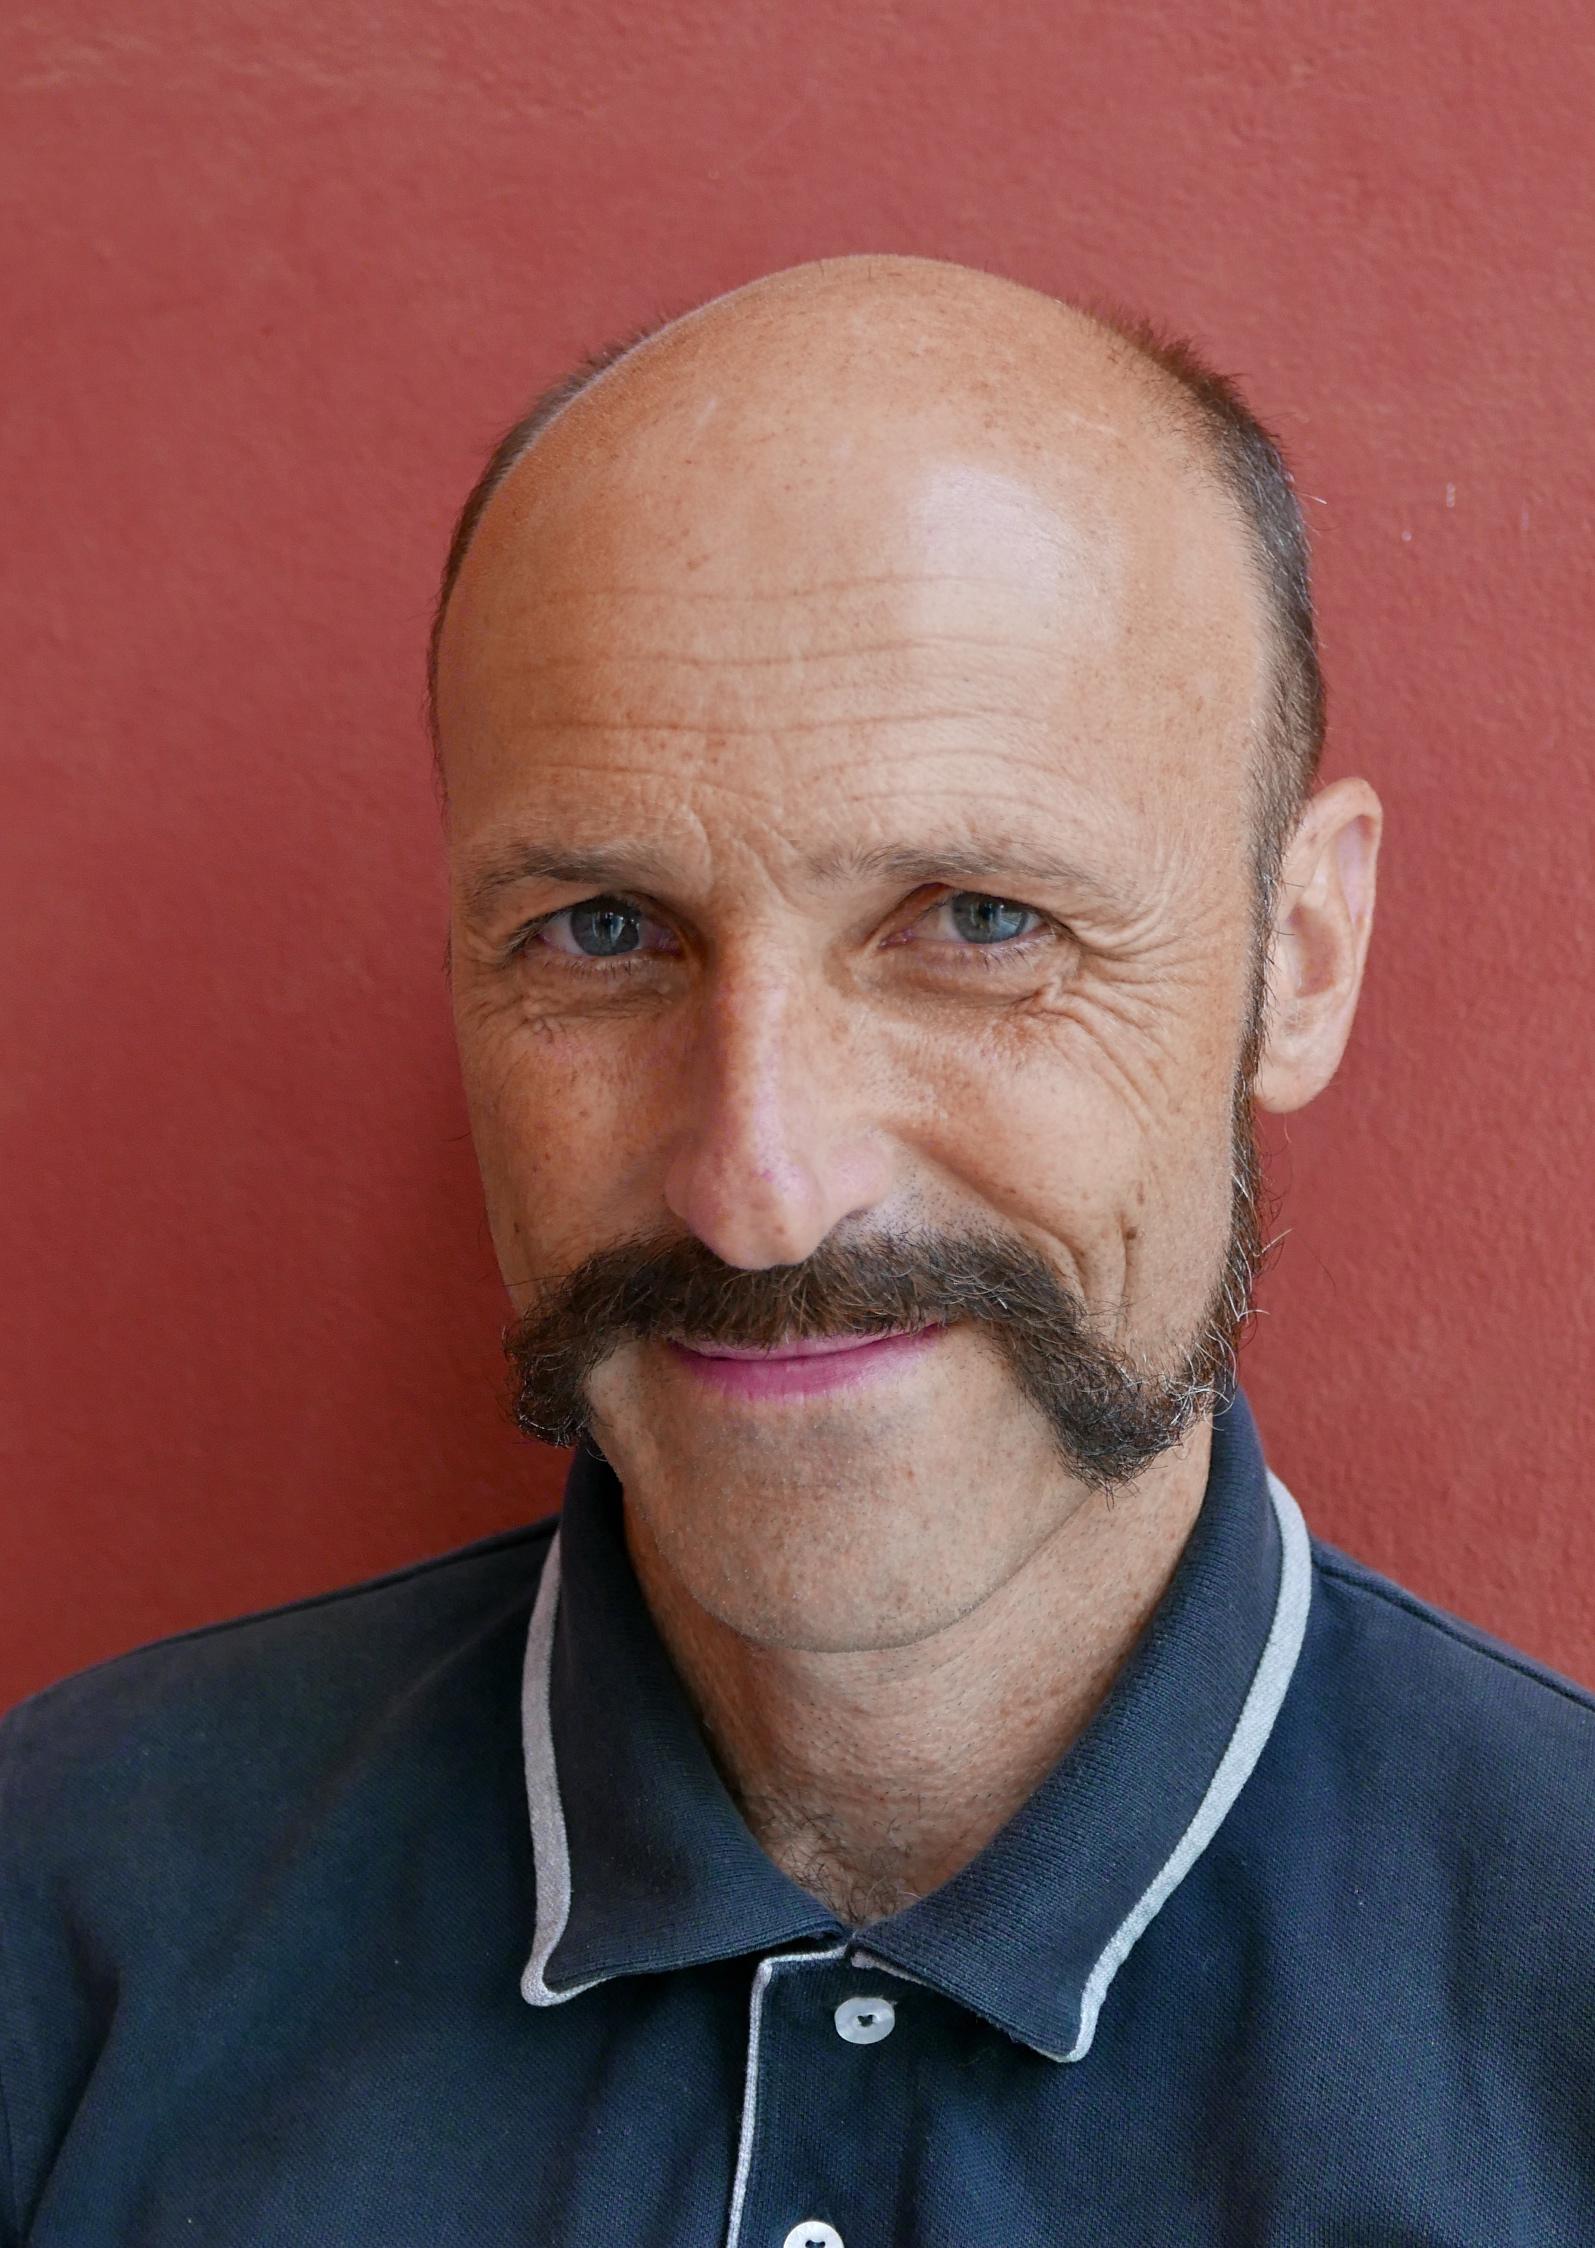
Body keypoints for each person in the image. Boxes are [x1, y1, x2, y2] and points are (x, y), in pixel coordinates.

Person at [3, 253, 1591, 2247]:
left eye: (982, 920)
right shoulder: (61, 1925)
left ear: (1304, 955)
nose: (758, 1189)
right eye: (603, 931)